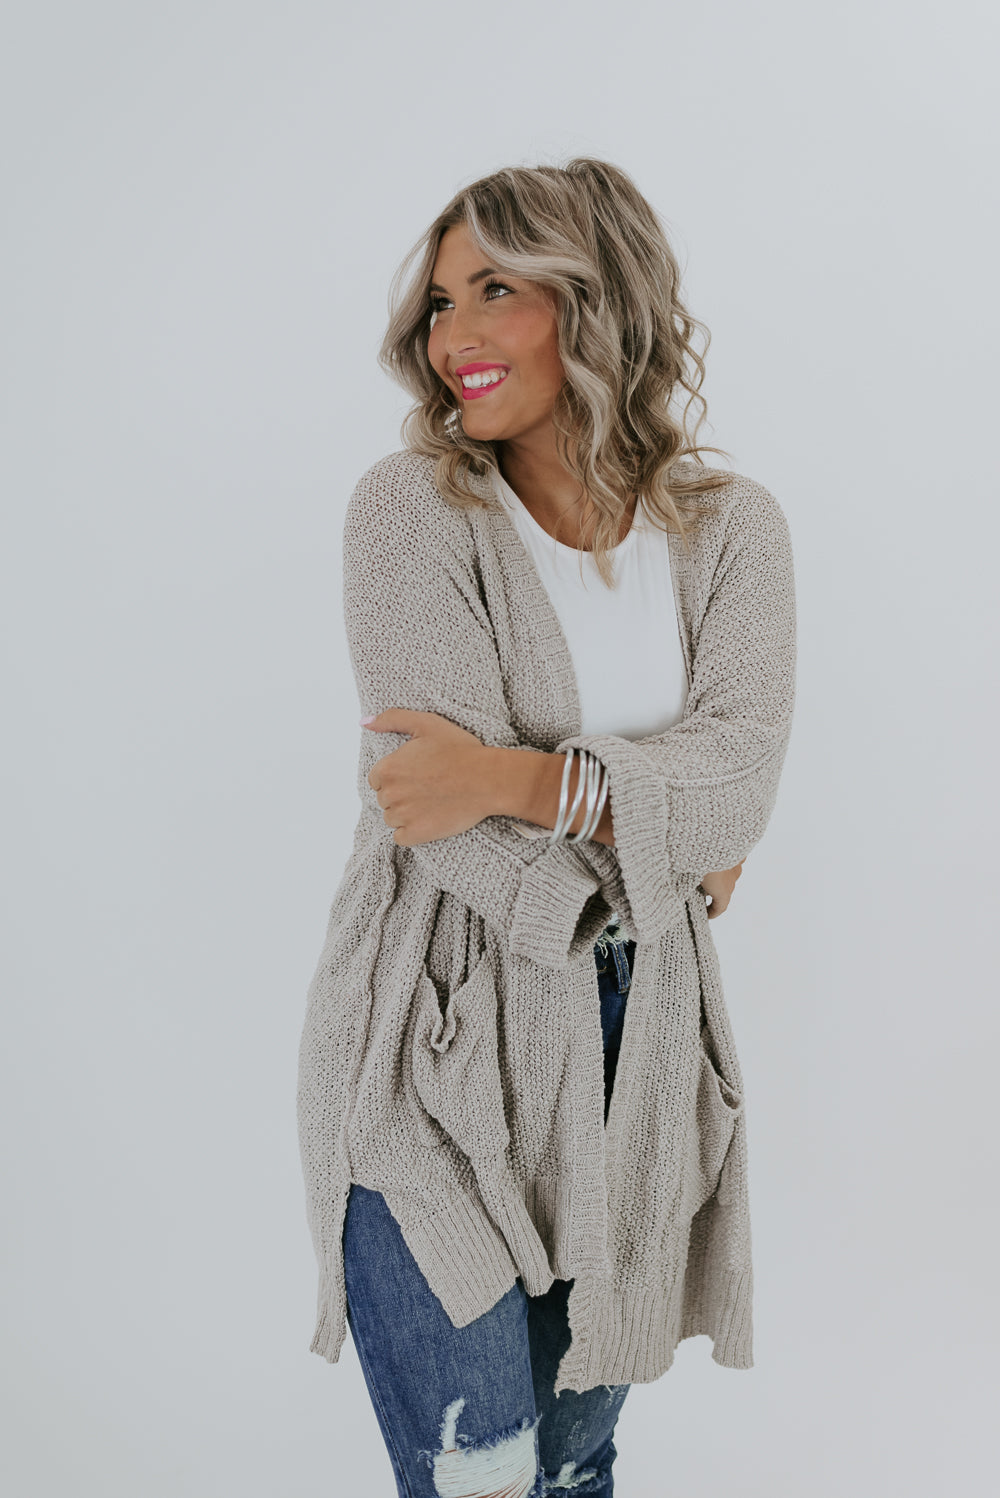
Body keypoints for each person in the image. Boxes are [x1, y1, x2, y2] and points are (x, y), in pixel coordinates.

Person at [296, 157, 796, 1498]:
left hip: (639, 1054)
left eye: (495, 291)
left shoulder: (732, 532)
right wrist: (658, 847)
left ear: (598, 298)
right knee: (479, 1477)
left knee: (574, 1471)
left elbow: (743, 781)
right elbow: (428, 805)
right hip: (433, 1040)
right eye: (439, 302)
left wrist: (522, 780)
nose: (450, 336)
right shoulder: (409, 511)